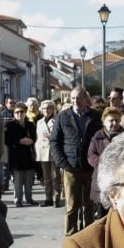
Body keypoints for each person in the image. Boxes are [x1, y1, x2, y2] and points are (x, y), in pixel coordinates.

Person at [50, 87, 100, 235]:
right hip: (70, 168)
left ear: (85, 99)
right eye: (72, 98)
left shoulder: (96, 116)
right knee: (72, 206)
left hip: (90, 167)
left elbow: (100, 139)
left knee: (89, 205)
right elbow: (54, 142)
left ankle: (88, 236)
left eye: (78, 98)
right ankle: (71, 237)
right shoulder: (62, 116)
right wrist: (62, 163)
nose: (75, 101)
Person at [88, 107, 124, 218]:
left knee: (118, 217)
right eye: (111, 120)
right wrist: (103, 163)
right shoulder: (97, 136)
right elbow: (91, 155)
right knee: (101, 218)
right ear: (104, 121)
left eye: (117, 120)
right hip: (100, 182)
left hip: (119, 181)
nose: (114, 123)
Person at [5, 102, 37, 207]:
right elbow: (7, 140)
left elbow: (34, 138)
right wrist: (19, 141)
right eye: (17, 112)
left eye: (21, 111)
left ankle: (29, 198)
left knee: (28, 180)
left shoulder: (30, 125)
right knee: (17, 181)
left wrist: (30, 141)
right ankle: (18, 200)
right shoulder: (10, 125)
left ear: (25, 112)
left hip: (28, 156)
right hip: (16, 157)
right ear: (14, 113)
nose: (19, 114)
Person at [35, 100, 62, 207]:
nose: (46, 110)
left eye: (48, 108)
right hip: (42, 151)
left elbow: (61, 135)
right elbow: (38, 137)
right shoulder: (39, 122)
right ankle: (48, 198)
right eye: (44, 108)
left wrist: (52, 136)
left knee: (55, 177)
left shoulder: (57, 120)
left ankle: (56, 199)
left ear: (53, 109)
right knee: (46, 178)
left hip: (54, 151)